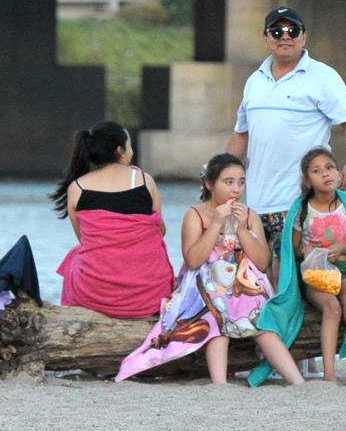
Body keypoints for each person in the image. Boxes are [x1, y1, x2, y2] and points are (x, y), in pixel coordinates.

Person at [115, 153, 304, 386]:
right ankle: (219, 384)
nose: (236, 189)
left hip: (244, 282)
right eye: (228, 182)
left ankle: (297, 382)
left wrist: (242, 229)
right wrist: (216, 223)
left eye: (241, 182)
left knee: (260, 317)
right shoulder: (195, 215)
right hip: (205, 282)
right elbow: (193, 259)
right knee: (217, 314)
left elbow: (263, 262)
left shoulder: (250, 215)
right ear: (209, 184)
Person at [225, 5, 346, 288]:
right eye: (277, 31)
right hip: (256, 203)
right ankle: (262, 330)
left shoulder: (323, 77)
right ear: (266, 38)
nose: (285, 37)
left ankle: (299, 330)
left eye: (293, 31)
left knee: (293, 278)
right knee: (250, 277)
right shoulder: (255, 81)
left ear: (304, 37)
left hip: (299, 203)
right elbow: (241, 134)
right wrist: (219, 178)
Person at [50, 120, 174, 319]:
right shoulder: (143, 180)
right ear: (119, 150)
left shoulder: (77, 188)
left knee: (74, 256)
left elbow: (84, 240)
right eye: (130, 145)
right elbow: (160, 231)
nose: (131, 151)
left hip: (93, 296)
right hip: (148, 295)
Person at [287, 147, 346, 386]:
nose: (325, 174)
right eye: (316, 171)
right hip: (316, 274)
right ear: (307, 179)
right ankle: (329, 376)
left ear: (338, 172)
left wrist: (344, 249)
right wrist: (305, 251)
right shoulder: (301, 209)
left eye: (330, 168)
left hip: (345, 270)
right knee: (332, 308)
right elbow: (291, 250)